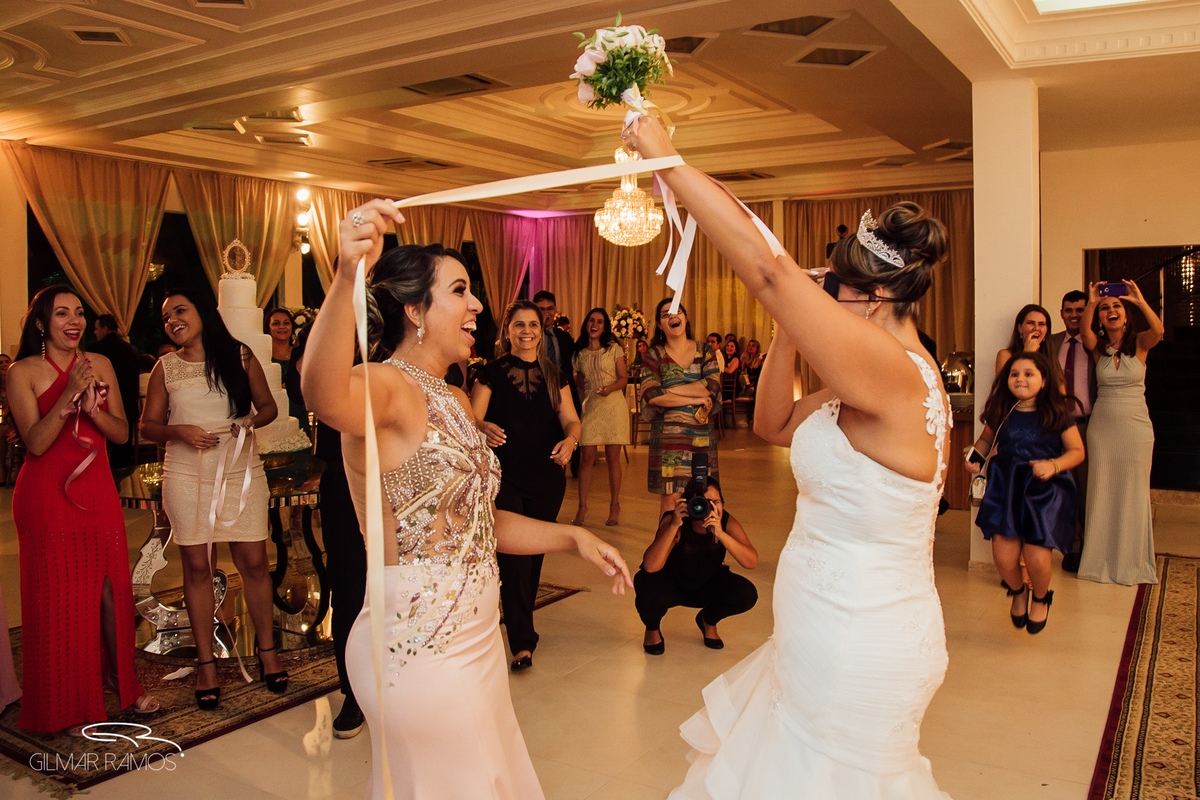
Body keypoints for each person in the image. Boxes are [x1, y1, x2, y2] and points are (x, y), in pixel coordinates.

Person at [626, 114, 954, 797]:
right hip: (820, 632)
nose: (826, 302)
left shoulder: (894, 371)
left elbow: (770, 271)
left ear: (882, 294)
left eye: (837, 290)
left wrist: (670, 160)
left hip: (861, 639)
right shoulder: (859, 382)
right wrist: (787, 331)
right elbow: (774, 423)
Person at [301, 202, 632, 800]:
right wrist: (346, 273)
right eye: (460, 291)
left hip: (478, 635)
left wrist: (573, 537)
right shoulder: (387, 385)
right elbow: (321, 392)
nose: (479, 305)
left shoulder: (453, 397)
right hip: (421, 643)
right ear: (414, 311)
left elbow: (476, 526)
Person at [7, 286, 159, 732]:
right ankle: (65, 699)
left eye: (78, 313)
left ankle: (121, 683)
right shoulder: (23, 372)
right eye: (61, 314)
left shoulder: (102, 364)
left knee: (112, 590)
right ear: (41, 323)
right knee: (60, 598)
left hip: (97, 492)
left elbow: (119, 432)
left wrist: (92, 409)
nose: (73, 321)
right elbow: (35, 443)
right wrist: (67, 395)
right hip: (45, 497)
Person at [140, 288, 286, 710]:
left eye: (179, 311)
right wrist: (179, 432)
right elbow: (147, 427)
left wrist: (247, 425)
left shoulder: (239, 356)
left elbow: (268, 408)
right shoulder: (164, 368)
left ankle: (267, 652)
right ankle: (205, 662)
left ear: (203, 311)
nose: (172, 321)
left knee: (255, 562)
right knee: (197, 566)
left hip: (241, 469)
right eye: (166, 317)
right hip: (186, 474)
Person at [471, 299, 582, 672]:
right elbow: (472, 418)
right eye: (518, 325)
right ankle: (522, 640)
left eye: (532, 324)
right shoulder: (491, 372)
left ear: (541, 328)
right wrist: (482, 427)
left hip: (547, 476)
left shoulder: (555, 374)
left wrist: (570, 441)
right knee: (514, 558)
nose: (526, 331)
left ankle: (521, 623)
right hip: (504, 477)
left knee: (532, 557)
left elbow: (571, 420)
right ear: (508, 331)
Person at [967, 352, 1084, 633]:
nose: (1020, 379)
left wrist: (1053, 465)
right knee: (1004, 559)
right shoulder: (1001, 410)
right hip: (1006, 487)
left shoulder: (1056, 412)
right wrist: (975, 457)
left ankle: (1042, 597)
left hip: (1042, 490)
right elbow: (985, 441)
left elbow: (1077, 452)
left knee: (1036, 556)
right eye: (1014, 374)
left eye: (1028, 374)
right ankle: (1018, 591)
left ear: (1043, 381)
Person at [1076, 279, 1164, 586]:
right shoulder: (1098, 348)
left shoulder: (1140, 343)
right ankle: (1099, 559)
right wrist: (1091, 301)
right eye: (1105, 308)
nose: (1110, 311)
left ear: (1125, 315)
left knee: (1133, 491)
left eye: (1116, 306)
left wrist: (1138, 300)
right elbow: (1084, 332)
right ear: (1101, 318)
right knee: (1101, 489)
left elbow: (1159, 331)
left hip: (1136, 426)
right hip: (1103, 427)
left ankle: (1131, 560)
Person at [635, 477, 758, 655]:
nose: (707, 508)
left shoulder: (726, 522)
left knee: (746, 594)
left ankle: (708, 619)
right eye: (700, 503)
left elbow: (751, 562)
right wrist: (674, 526)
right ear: (688, 504)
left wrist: (721, 534)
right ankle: (652, 628)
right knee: (649, 590)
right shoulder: (674, 520)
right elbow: (650, 566)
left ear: (722, 503)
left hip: (707, 582)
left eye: (715, 502)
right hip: (671, 584)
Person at [641, 299, 721, 515]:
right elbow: (651, 395)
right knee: (671, 505)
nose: (672, 317)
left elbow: (711, 386)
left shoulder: (705, 350)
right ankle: (668, 548)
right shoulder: (654, 354)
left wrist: (669, 390)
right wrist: (694, 398)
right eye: (665, 314)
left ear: (685, 317)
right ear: (659, 325)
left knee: (705, 500)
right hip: (668, 441)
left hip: (701, 438)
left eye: (677, 312)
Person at [1048, 290, 1094, 573]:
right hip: (1057, 425)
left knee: (1088, 490)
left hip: (1089, 424)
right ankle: (1071, 547)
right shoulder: (1051, 343)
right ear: (1062, 312)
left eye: (1080, 310)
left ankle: (1089, 546)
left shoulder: (1093, 343)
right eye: (1069, 310)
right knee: (1065, 489)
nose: (1074, 315)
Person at [571, 307, 630, 526]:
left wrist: (610, 388)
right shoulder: (579, 354)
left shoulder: (614, 349)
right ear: (586, 324)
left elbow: (624, 379)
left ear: (605, 327)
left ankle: (615, 506)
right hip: (591, 406)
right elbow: (579, 385)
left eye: (600, 322)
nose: (595, 325)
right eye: (591, 321)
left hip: (613, 405)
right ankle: (582, 507)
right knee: (586, 458)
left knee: (613, 458)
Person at [90, 314, 141, 470]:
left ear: (105, 329)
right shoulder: (131, 350)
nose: (94, 332)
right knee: (123, 457)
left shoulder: (95, 352)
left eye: (96, 328)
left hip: (103, 410)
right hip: (129, 406)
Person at [994, 304, 1056, 378]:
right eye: (1030, 323)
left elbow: (1059, 387)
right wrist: (1027, 353)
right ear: (1020, 328)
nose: (1036, 328)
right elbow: (1005, 384)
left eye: (1041, 324)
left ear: (1046, 330)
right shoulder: (1005, 355)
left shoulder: (1051, 357)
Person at [266, 307, 295, 382]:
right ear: (268, 328)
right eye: (276, 323)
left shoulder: (300, 353)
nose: (282, 327)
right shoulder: (264, 355)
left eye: (286, 323)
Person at [0, 353, 13, 485]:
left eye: (6, 361)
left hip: (14, 420)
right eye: (0, 363)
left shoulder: (16, 382)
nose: (3, 364)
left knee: (2, 430)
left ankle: (3, 471)